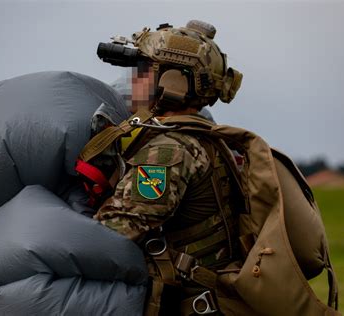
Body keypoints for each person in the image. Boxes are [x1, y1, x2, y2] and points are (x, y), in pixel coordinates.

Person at [79, 20, 246, 315]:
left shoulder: (168, 151)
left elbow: (113, 232)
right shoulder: (203, 136)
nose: (135, 82)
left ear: (172, 83)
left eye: (144, 72)